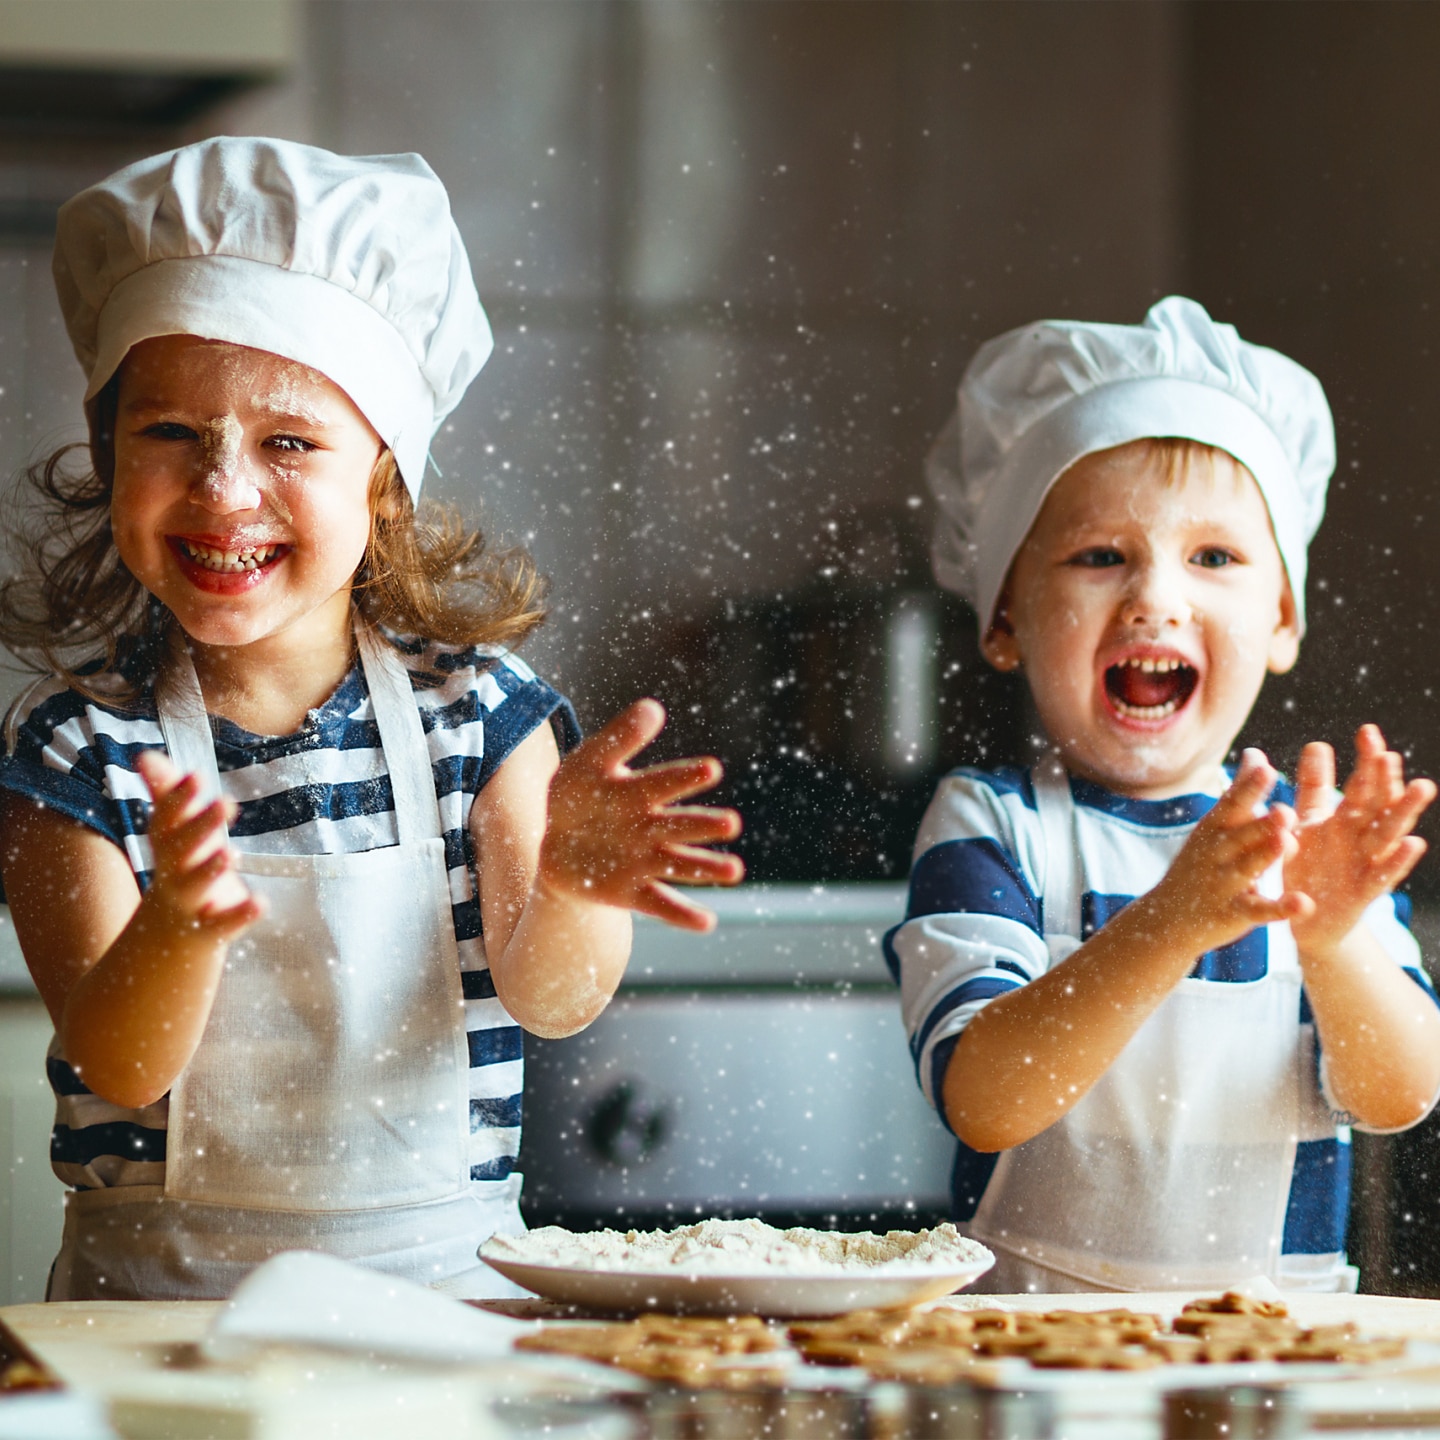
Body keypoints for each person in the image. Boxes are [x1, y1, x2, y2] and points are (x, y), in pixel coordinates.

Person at [0, 137, 743, 1302]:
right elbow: (120, 1060)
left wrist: (576, 889)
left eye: (288, 441)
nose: (223, 489)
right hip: (158, 1329)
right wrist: (182, 929)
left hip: (444, 1315)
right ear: (107, 451)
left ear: (382, 479)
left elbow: (550, 1001)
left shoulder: (480, 715)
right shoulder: (77, 747)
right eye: (169, 435)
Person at [887, 296, 1440, 1295]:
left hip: (1274, 1363)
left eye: (1214, 558)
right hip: (1033, 1362)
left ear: (1281, 619)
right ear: (1005, 615)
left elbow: (1398, 1095)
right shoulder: (992, 825)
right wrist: (1168, 924)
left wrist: (1331, 938)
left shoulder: (1308, 845)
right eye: (1101, 556)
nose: (1155, 597)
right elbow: (983, 1097)